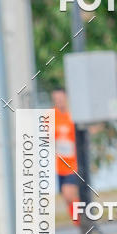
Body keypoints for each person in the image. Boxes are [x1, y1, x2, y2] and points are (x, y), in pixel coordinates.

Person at [52, 88, 80, 226]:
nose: (59, 102)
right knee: (67, 198)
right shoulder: (51, 116)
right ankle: (80, 224)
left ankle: (83, 224)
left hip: (73, 165)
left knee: (69, 193)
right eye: (56, 99)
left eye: (61, 99)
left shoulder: (73, 114)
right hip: (60, 166)